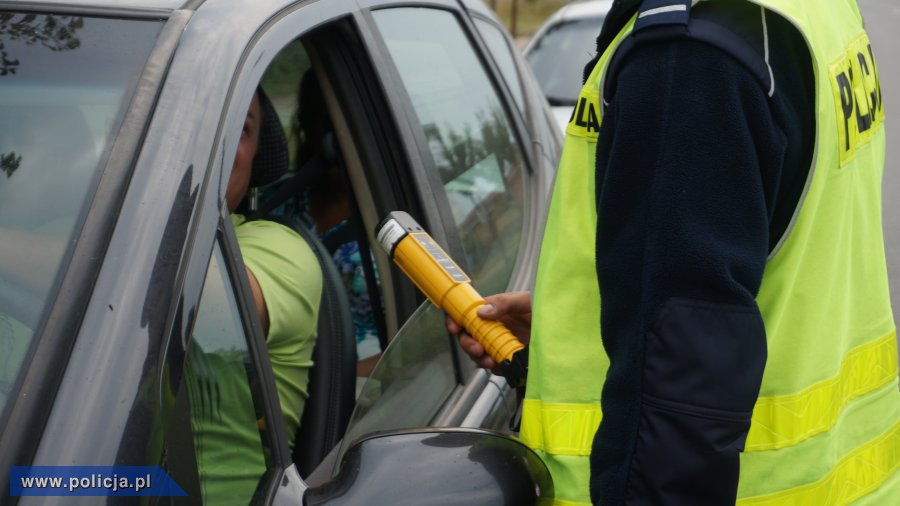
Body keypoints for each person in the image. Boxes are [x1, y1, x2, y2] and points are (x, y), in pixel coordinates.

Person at [449, 0, 899, 504]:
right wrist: (602, 316)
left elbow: (678, 402)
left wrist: (655, 319)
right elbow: (780, 251)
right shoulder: (808, 12)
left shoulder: (686, 56)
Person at [188, 88, 323, 503]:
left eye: (238, 128)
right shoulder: (53, 232)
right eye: (184, 120)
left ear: (255, 158)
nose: (211, 139)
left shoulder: (278, 249)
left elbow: (190, 301)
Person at [292, 71, 383, 377]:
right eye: (331, 123)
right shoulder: (278, 200)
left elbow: (424, 343)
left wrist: (332, 385)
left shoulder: (398, 212)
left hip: (364, 387)